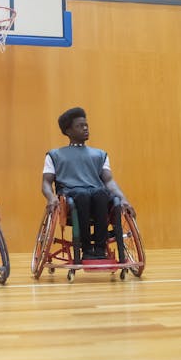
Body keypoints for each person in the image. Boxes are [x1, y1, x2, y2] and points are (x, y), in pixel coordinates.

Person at [42, 107, 135, 263]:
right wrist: (51, 197)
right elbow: (46, 182)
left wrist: (124, 198)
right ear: (68, 131)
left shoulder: (100, 154)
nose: (85, 128)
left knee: (101, 193)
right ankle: (86, 249)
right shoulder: (55, 155)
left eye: (86, 125)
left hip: (96, 195)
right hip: (72, 195)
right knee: (83, 195)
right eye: (80, 126)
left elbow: (109, 181)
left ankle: (99, 248)